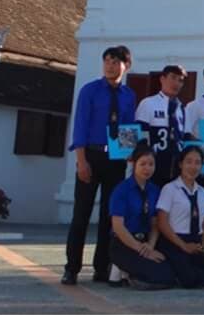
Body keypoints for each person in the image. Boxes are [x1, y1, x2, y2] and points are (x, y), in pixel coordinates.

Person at [63, 45, 137, 285]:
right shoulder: (90, 90)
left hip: (115, 160)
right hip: (91, 156)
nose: (110, 66)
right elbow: (81, 125)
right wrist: (81, 161)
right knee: (81, 214)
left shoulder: (128, 95)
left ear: (126, 66)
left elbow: (127, 128)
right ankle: (72, 268)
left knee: (109, 215)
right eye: (107, 61)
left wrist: (128, 155)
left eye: (116, 62)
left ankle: (101, 267)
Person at [108, 143, 175, 289]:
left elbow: (155, 223)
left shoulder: (154, 190)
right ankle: (123, 271)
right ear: (133, 164)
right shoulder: (122, 190)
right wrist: (140, 249)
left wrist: (150, 246)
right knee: (158, 276)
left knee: (168, 271)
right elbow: (118, 226)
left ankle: (129, 272)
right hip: (124, 242)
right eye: (143, 164)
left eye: (151, 164)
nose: (147, 168)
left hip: (145, 241)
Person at [155, 145, 204, 288]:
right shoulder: (170, 189)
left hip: (195, 242)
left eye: (197, 163)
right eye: (189, 162)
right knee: (190, 280)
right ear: (181, 164)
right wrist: (183, 245)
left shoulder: (203, 192)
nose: (193, 167)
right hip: (175, 241)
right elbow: (162, 222)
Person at [135, 65, 190, 187]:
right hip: (153, 166)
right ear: (162, 79)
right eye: (173, 78)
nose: (176, 83)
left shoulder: (182, 108)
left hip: (175, 167)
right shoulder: (148, 103)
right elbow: (140, 136)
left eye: (180, 80)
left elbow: (184, 138)